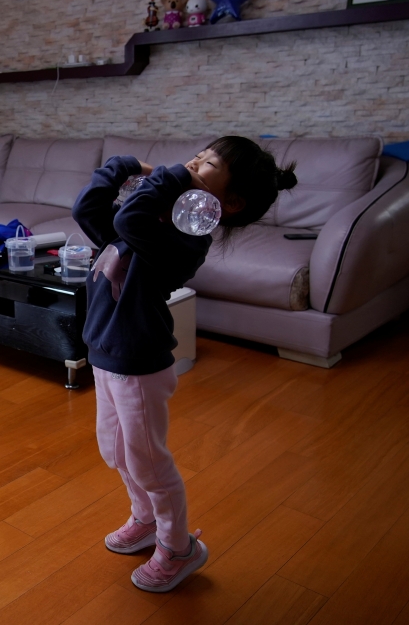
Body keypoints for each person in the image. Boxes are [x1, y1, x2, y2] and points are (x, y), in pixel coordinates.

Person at [72, 136, 297, 592]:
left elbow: (128, 219)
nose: (191, 162)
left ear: (229, 203)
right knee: (114, 450)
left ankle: (179, 547)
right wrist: (120, 166)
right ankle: (146, 518)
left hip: (138, 362)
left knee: (148, 461)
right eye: (197, 155)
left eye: (207, 162)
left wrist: (168, 176)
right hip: (104, 353)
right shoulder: (146, 217)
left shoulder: (185, 240)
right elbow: (88, 212)